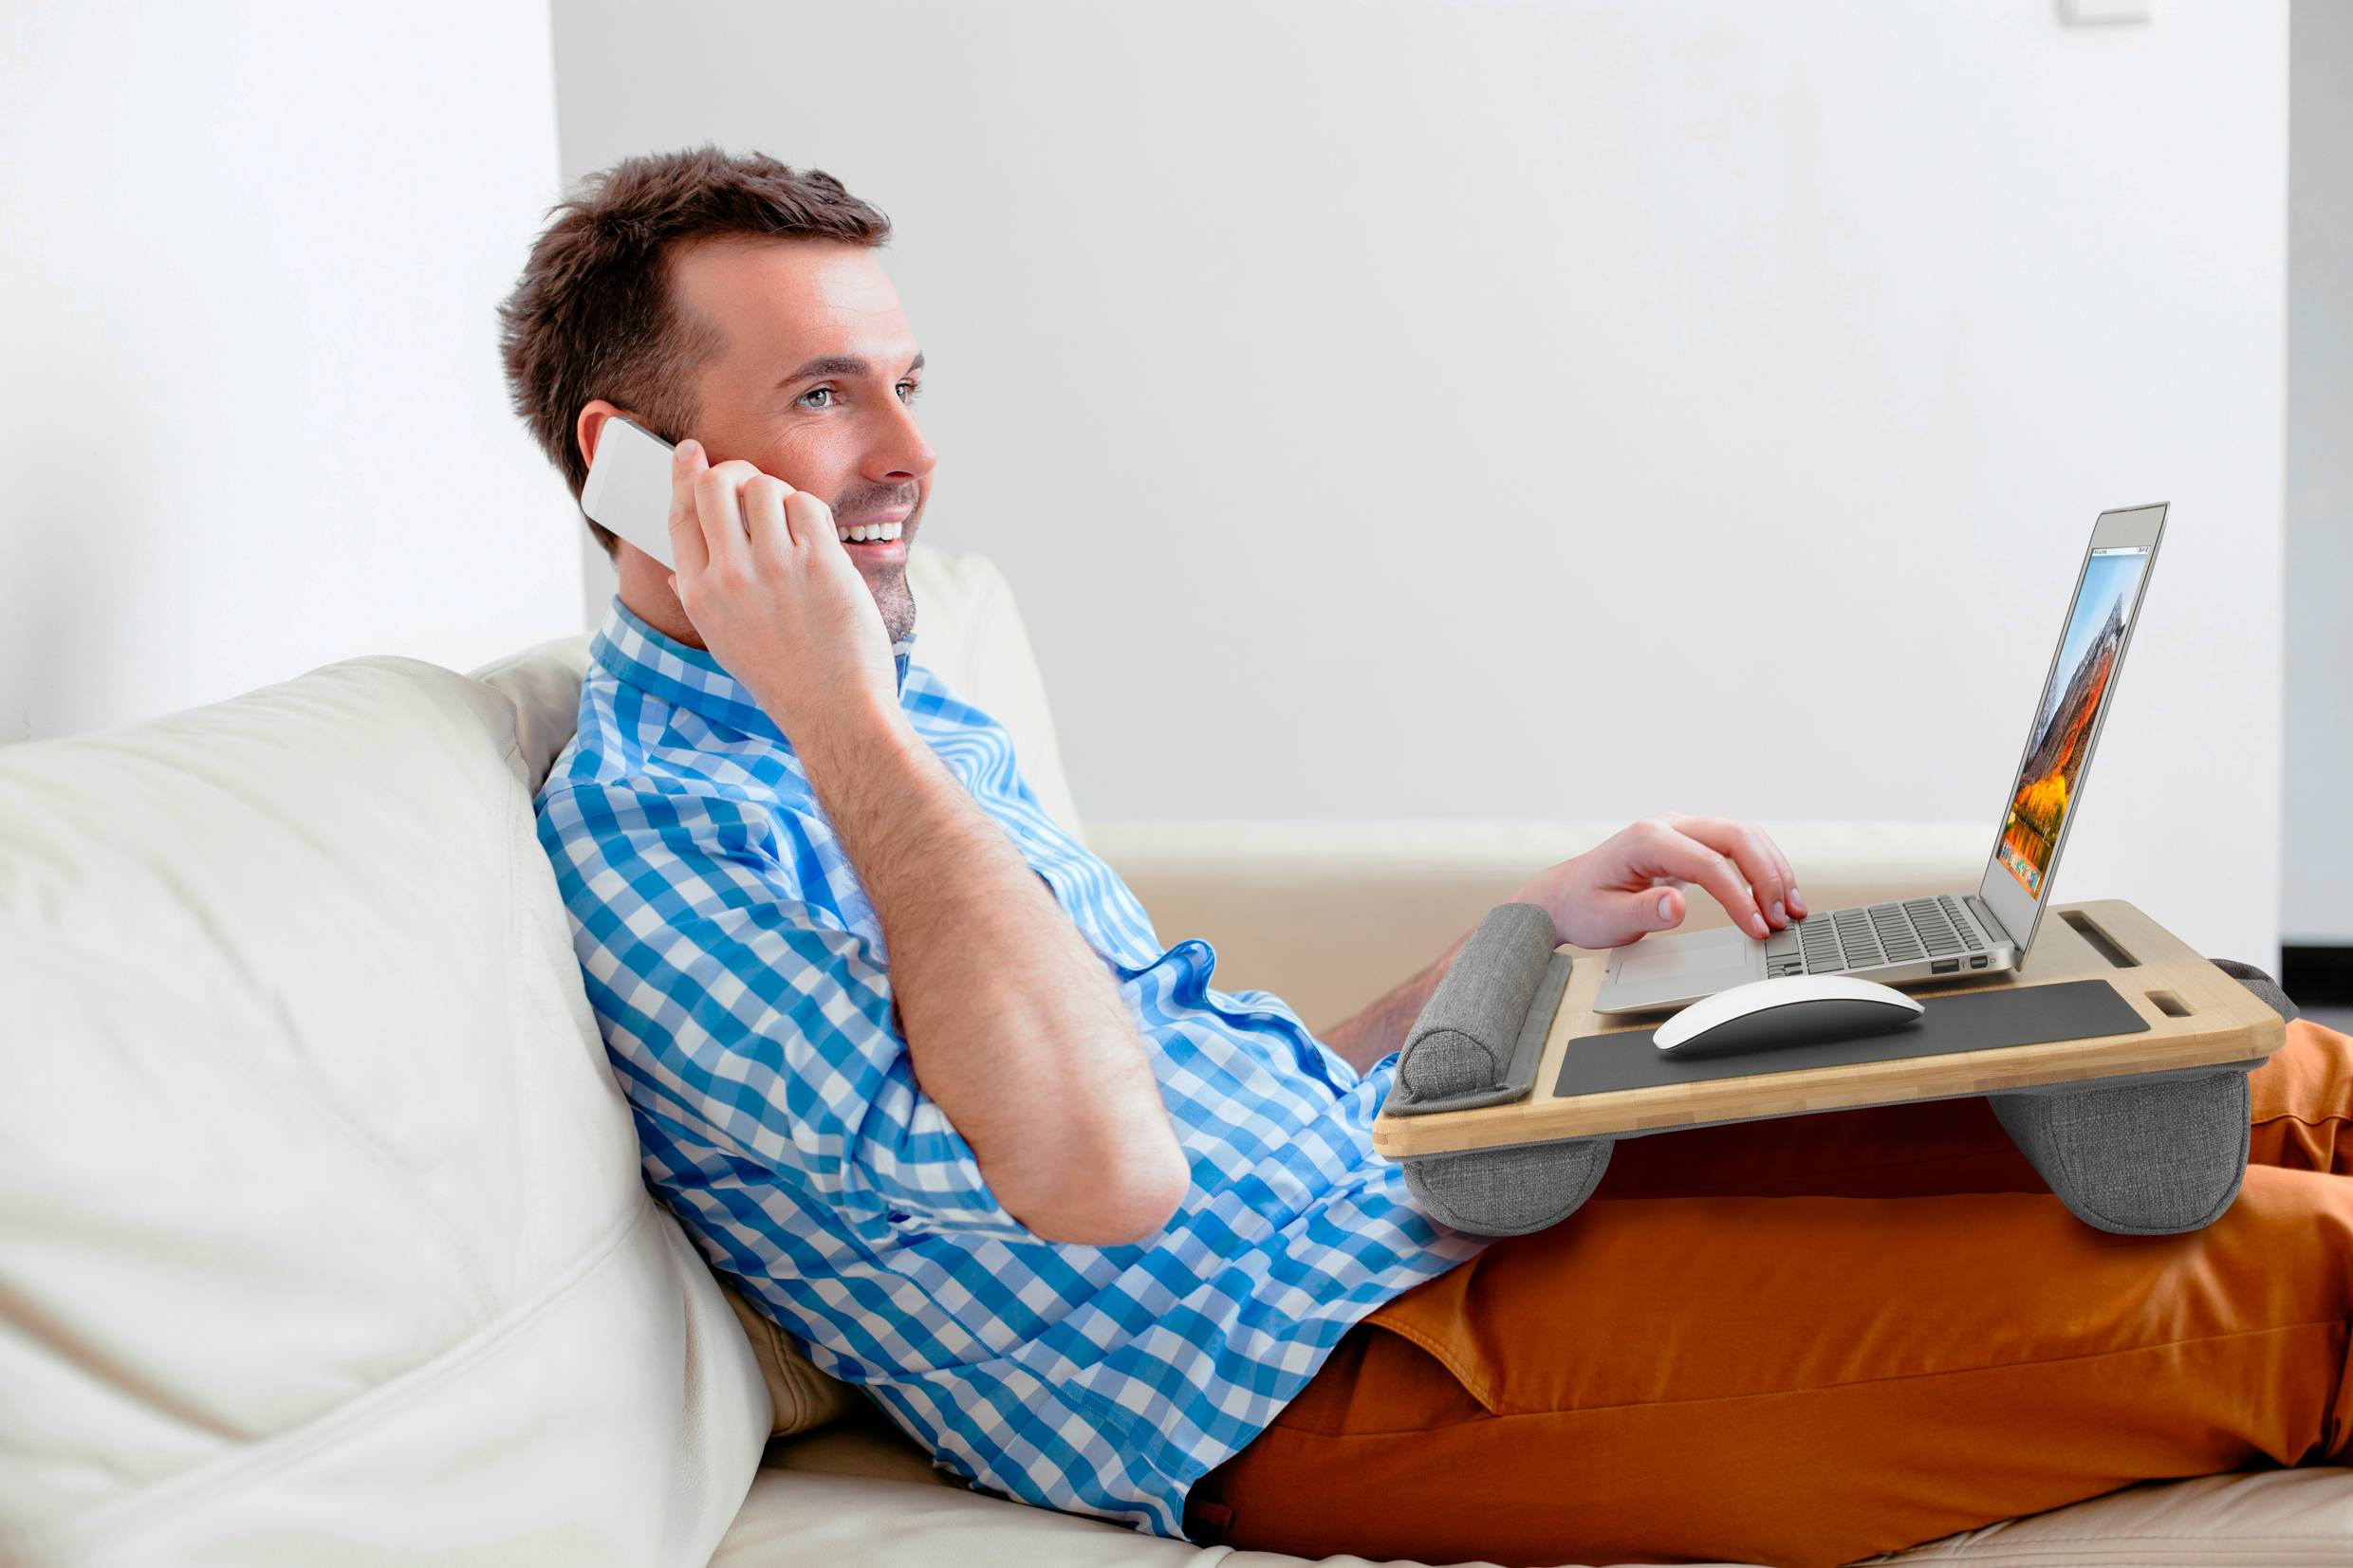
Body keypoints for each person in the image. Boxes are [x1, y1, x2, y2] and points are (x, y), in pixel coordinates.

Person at [503, 147, 2353, 1568]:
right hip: (1324, 1366)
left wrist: (1500, 949)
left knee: (2240, 1068)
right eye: (827, 395)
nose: (911, 451)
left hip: (1424, 1186)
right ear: (633, 461)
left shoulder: (907, 705)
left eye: (910, 382)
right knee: (2285, 1282)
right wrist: (846, 714)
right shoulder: (670, 830)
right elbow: (1104, 1175)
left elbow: (1173, 1074)